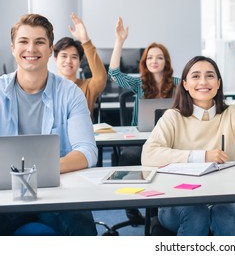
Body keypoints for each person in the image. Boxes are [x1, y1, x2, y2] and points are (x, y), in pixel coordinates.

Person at [141, 26, 235, 235]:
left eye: (210, 76)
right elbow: (149, 154)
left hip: (223, 198)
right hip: (177, 201)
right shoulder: (173, 117)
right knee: (196, 212)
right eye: (196, 76)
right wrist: (202, 156)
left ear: (218, 84)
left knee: (224, 214)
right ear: (186, 84)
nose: (203, 82)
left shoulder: (230, 115)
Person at [0, 14, 98, 235]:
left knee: (81, 222)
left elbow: (87, 151)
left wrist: (39, 171)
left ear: (50, 48)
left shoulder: (70, 93)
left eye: (40, 42)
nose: (31, 49)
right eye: (24, 41)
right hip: (4, 193)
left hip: (57, 192)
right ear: (13, 47)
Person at [108, 17, 178, 126]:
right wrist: (119, 41)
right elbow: (114, 74)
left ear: (166, 62)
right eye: (150, 58)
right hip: (141, 137)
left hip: (170, 134)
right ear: (145, 62)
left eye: (159, 58)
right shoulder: (139, 84)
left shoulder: (178, 84)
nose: (154, 61)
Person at [54, 13, 107, 121]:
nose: (68, 61)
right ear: (55, 60)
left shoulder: (87, 87)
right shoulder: (47, 86)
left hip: (82, 137)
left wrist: (85, 40)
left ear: (79, 62)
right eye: (64, 56)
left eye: (74, 57)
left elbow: (100, 77)